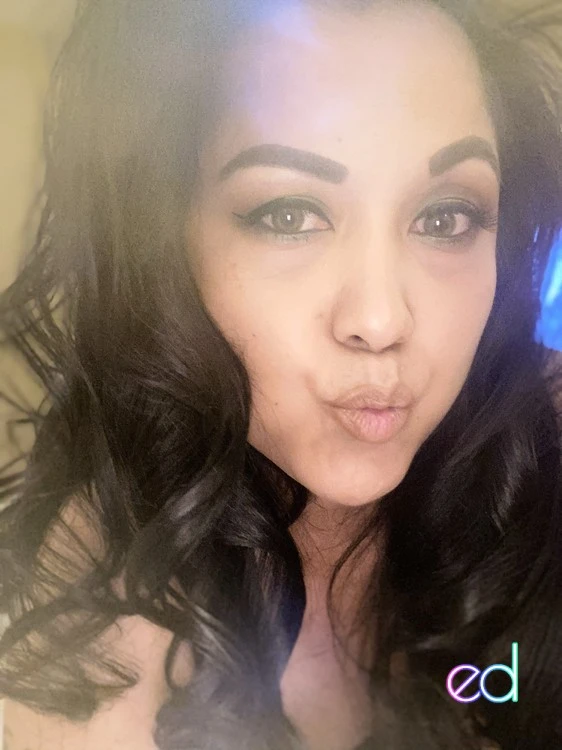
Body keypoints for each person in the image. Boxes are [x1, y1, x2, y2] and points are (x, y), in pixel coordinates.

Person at [1, 0, 562, 748]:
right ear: (166, 246)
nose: (380, 320)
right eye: (289, 214)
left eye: (445, 217)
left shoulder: (536, 447)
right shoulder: (84, 648)